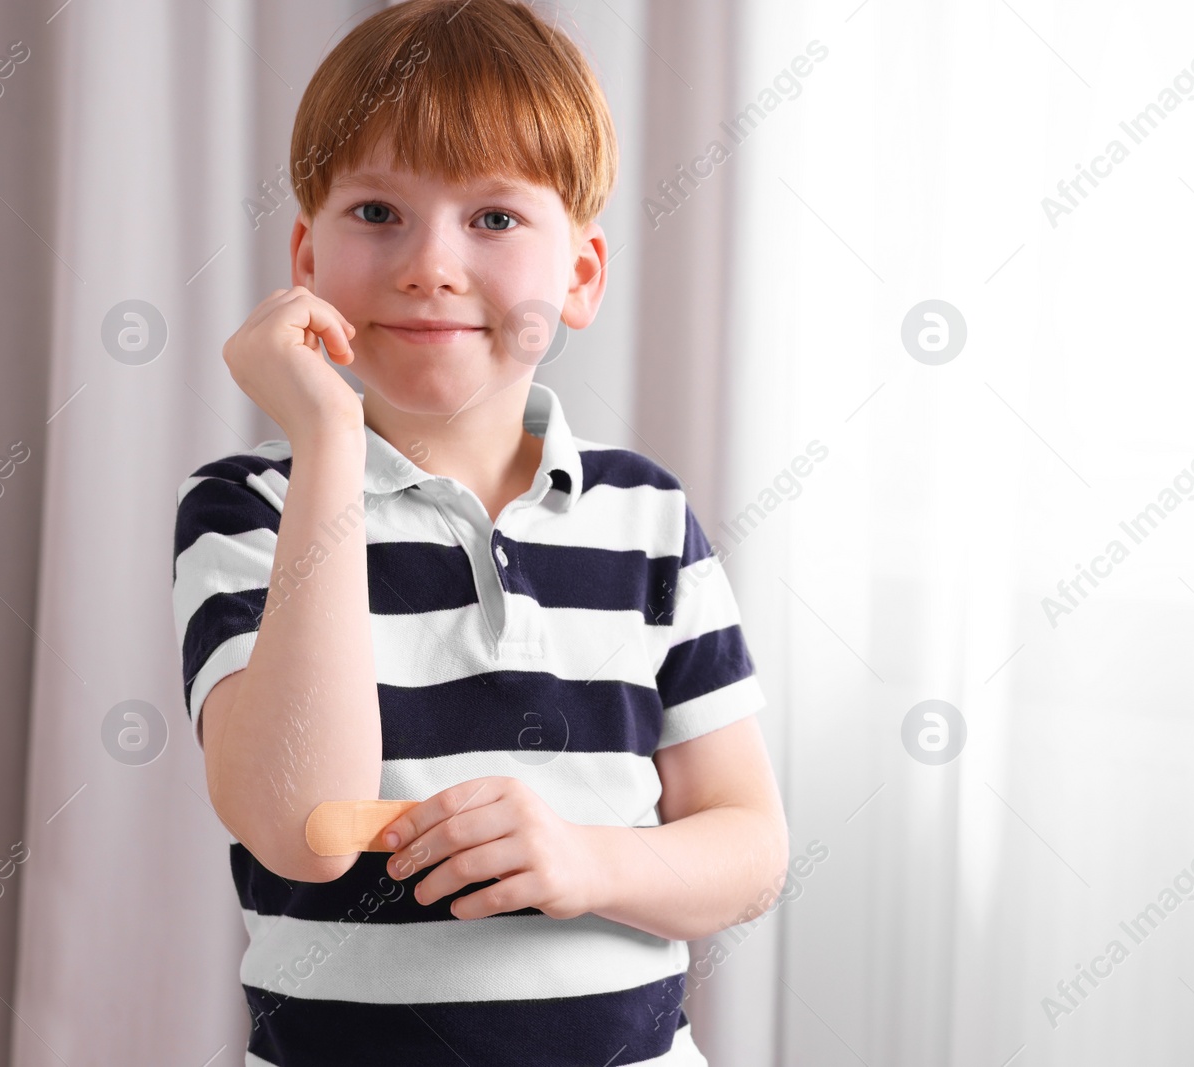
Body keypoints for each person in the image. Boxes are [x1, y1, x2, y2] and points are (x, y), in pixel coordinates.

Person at [170, 2, 788, 1062]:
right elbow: (300, 821)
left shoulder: (646, 521)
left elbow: (750, 849)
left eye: (493, 220)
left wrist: (587, 862)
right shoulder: (249, 511)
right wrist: (325, 440)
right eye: (376, 212)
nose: (429, 266)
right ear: (306, 257)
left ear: (581, 276)